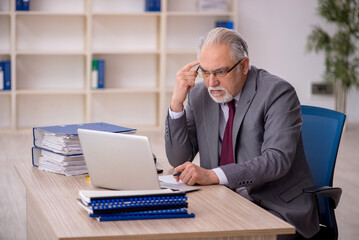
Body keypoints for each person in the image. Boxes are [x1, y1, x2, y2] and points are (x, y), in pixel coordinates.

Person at [164, 27, 320, 239]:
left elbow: (276, 159)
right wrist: (176, 103)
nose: (211, 82)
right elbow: (179, 159)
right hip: (222, 201)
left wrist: (212, 175)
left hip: (273, 206)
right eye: (205, 72)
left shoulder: (277, 93)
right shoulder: (200, 95)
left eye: (220, 72)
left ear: (244, 66)